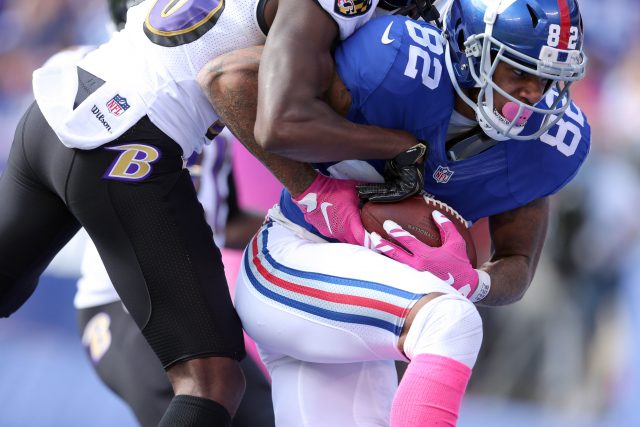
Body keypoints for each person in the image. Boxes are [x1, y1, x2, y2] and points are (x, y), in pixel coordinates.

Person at [0, 0, 438, 423]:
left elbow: (226, 214)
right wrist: (397, 147)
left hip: (58, 110)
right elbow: (269, 114)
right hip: (127, 141)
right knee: (211, 382)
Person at [198, 0, 589, 424]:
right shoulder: (399, 63)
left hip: (358, 310)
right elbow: (230, 79)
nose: (535, 93)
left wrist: (475, 283)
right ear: (468, 49)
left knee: (455, 309)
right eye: (519, 70)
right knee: (449, 320)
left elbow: (518, 266)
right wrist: (317, 190)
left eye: (551, 77)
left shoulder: (547, 144)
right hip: (294, 255)